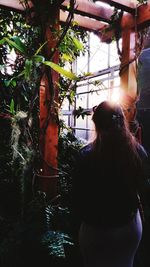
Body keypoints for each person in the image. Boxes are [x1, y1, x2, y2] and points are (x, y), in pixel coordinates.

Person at [71, 100, 148, 267]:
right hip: (129, 228)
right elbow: (143, 189)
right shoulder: (138, 152)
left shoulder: (85, 155)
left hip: (96, 230)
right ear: (122, 122)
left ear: (97, 125)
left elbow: (76, 199)